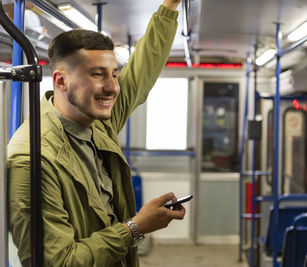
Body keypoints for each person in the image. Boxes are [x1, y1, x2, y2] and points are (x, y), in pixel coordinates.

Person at [8, 0, 185, 266]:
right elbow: (57, 262)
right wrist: (135, 227)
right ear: (61, 81)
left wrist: (170, 6)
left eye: (114, 74)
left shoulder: (97, 123)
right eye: (97, 75)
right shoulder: (33, 159)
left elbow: (142, 73)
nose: (113, 87)